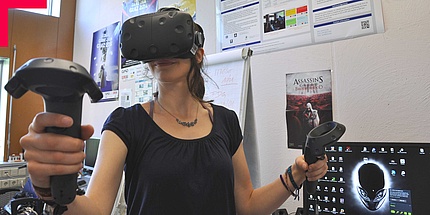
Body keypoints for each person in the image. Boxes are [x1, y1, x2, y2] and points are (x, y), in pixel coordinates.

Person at [19, 9, 328, 215]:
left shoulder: (226, 121)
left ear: (199, 54)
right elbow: (96, 209)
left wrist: (297, 172)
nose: (163, 55)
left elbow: (245, 205)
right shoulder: (127, 123)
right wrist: (53, 188)